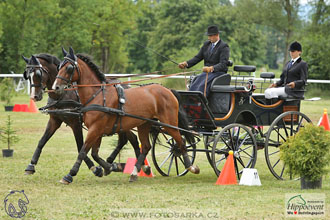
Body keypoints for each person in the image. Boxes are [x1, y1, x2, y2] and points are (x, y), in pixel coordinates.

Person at [178, 25, 230, 97]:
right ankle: (190, 99)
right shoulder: (206, 44)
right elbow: (198, 57)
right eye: (208, 36)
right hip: (206, 73)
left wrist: (212, 68)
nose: (209, 38)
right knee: (194, 83)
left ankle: (201, 102)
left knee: (202, 85)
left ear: (217, 35)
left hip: (218, 73)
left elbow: (223, 64)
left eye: (211, 36)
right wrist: (186, 64)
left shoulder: (224, 46)